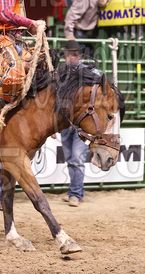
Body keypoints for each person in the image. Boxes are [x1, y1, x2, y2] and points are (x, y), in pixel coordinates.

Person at [58, 40, 89, 207]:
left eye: (75, 54)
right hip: (65, 122)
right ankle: (76, 192)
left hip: (81, 124)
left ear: (80, 56)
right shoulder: (60, 72)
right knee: (71, 158)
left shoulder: (87, 73)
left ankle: (75, 194)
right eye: (70, 54)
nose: (72, 57)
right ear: (65, 55)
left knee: (76, 158)